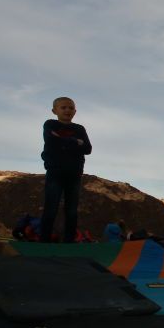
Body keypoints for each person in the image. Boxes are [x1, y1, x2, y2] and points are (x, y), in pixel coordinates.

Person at [39, 97, 92, 243]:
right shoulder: (50, 124)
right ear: (54, 110)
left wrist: (62, 141)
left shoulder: (80, 129)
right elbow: (50, 140)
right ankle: (44, 240)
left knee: (72, 211)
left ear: (75, 111)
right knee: (51, 207)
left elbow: (88, 149)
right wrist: (76, 142)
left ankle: (69, 241)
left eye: (70, 108)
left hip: (74, 173)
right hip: (55, 172)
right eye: (63, 107)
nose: (67, 110)